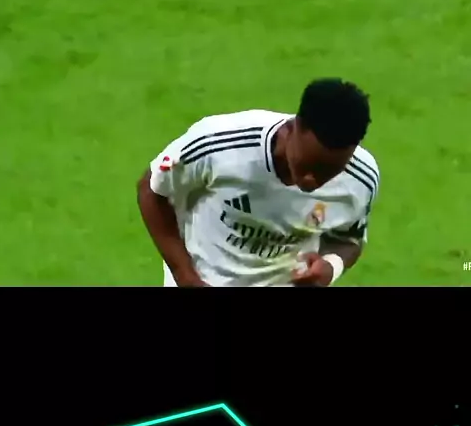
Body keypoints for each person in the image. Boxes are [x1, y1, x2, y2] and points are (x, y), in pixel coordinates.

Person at [137, 78, 379, 287]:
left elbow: (348, 239)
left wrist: (330, 266)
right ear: (292, 127)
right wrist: (185, 276)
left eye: (328, 172)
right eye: (307, 164)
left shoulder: (360, 179)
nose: (311, 180)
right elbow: (152, 189)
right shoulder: (219, 145)